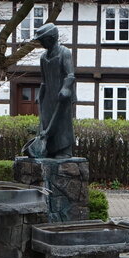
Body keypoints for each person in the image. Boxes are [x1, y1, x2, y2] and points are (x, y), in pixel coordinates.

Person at [25, 23, 76, 159]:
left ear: (51, 38)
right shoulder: (43, 57)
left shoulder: (64, 53)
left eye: (42, 40)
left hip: (62, 96)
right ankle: (49, 149)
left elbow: (70, 75)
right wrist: (40, 94)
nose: (41, 43)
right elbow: (43, 80)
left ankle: (64, 150)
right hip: (48, 94)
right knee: (46, 121)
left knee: (62, 122)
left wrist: (66, 88)